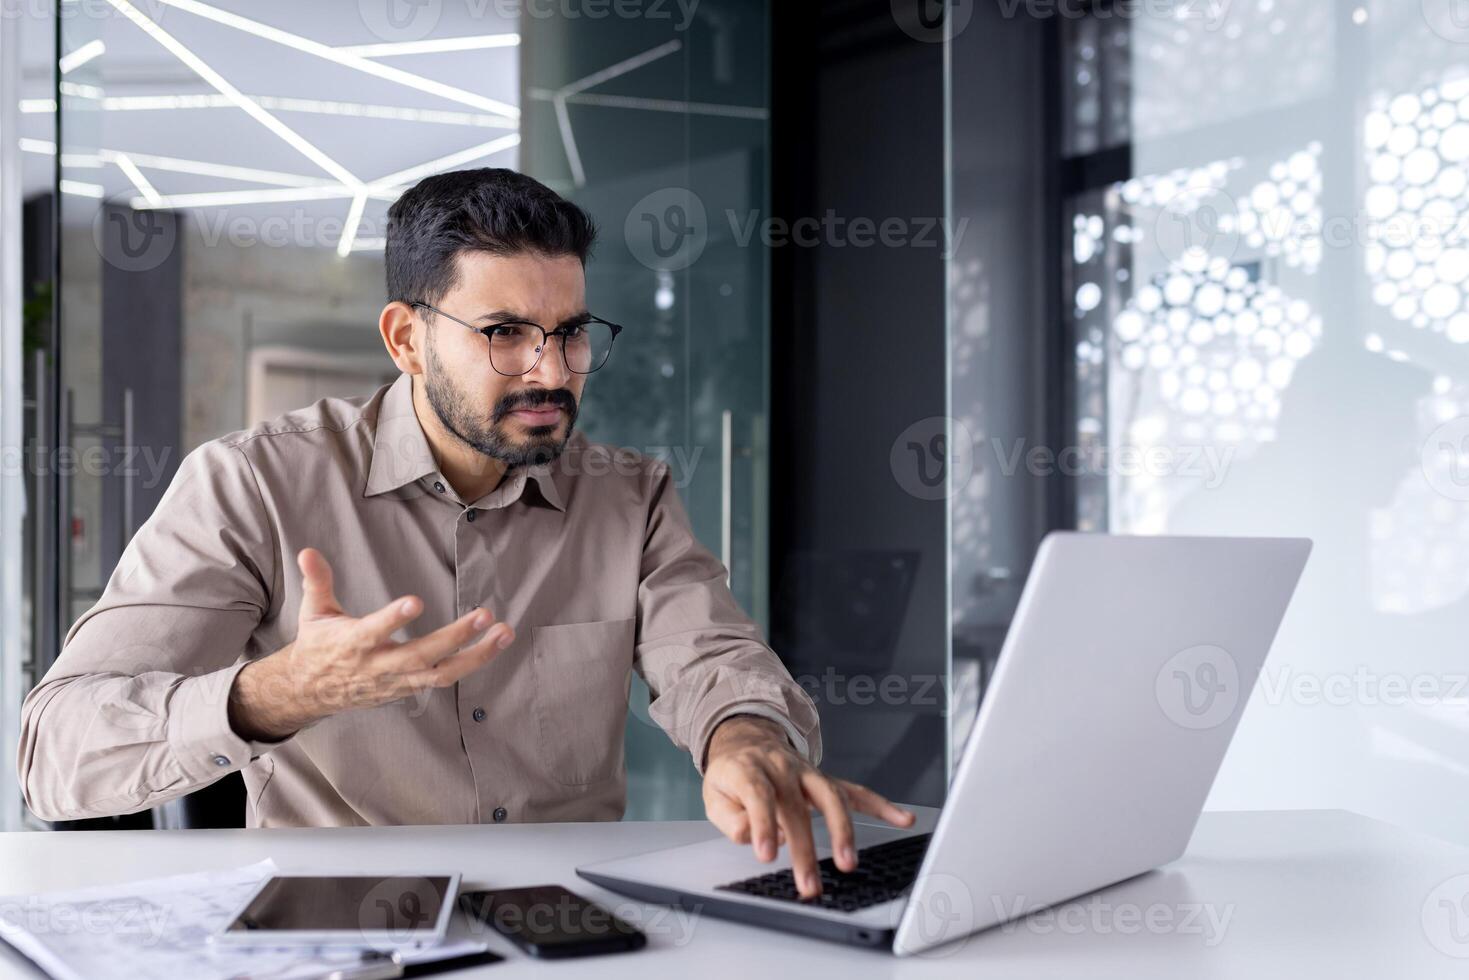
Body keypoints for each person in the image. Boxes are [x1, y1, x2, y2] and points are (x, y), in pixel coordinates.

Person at [18, 168, 912, 899]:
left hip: (573, 927)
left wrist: (744, 741)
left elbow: (711, 658)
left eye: (569, 334)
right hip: (343, 936)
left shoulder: (627, 494)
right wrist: (271, 694)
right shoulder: (255, 482)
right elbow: (53, 753)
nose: (551, 370)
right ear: (407, 339)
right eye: (504, 333)